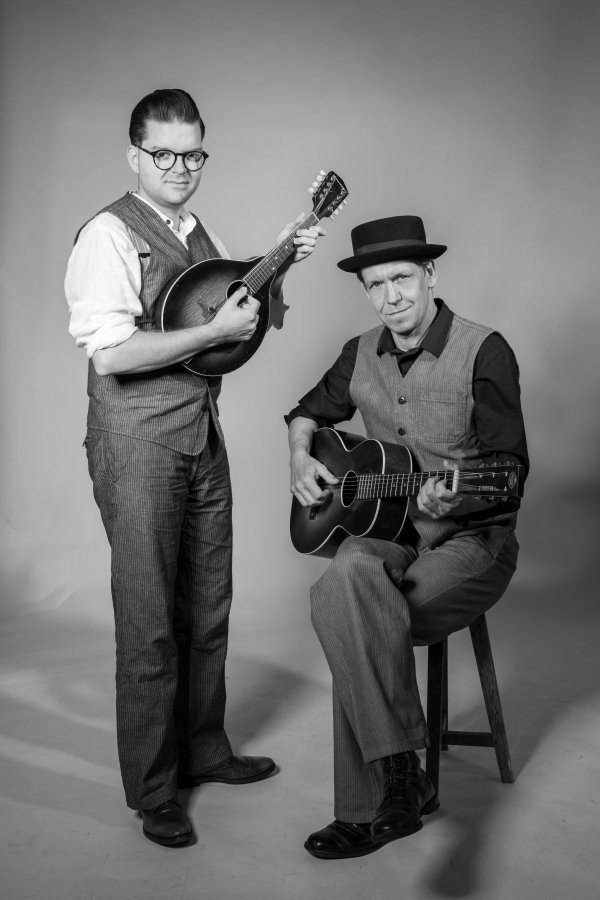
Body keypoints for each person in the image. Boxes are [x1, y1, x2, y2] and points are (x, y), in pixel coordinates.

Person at [65, 88, 324, 847]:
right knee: (150, 622)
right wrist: (215, 326)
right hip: (137, 443)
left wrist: (277, 268)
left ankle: (204, 749)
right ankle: (153, 790)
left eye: (193, 153)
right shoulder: (108, 235)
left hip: (199, 436)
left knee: (208, 605)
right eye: (164, 153)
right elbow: (112, 352)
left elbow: (228, 333)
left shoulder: (195, 232)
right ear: (135, 156)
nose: (181, 167)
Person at [286, 215, 528, 859]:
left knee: (352, 615)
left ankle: (371, 807)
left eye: (402, 279)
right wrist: (299, 454)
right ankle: (403, 777)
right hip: (394, 534)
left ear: (429, 276)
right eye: (376, 285)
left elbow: (510, 472)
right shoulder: (358, 351)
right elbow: (307, 411)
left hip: (473, 543)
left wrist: (460, 492)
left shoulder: (485, 350)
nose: (392, 297)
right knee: (350, 586)